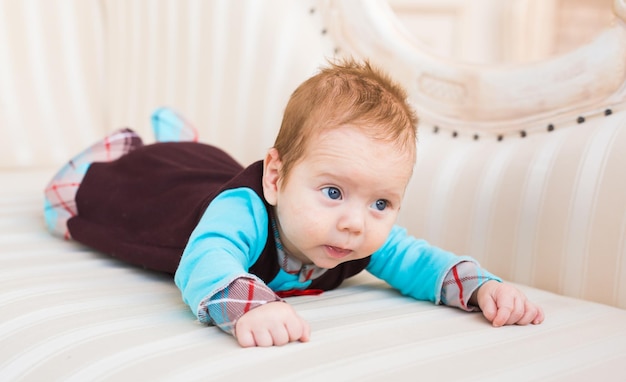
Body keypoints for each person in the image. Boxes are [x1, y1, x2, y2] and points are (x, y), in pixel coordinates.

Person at [44, 59, 544, 348]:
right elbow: (205, 257)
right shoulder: (243, 211)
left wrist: (479, 287)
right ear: (277, 178)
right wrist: (249, 306)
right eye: (333, 193)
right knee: (101, 194)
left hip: (213, 170)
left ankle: (180, 138)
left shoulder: (355, 235)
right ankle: (133, 147)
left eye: (382, 203)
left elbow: (415, 259)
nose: (354, 223)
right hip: (166, 197)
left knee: (199, 157)